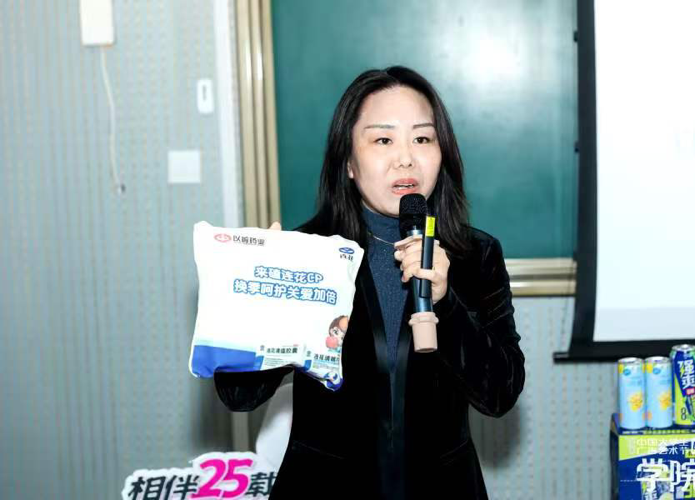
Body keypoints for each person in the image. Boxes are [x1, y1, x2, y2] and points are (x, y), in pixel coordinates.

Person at [214, 66, 525, 500]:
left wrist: (446, 302)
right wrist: (272, 303)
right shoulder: (307, 254)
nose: (406, 158)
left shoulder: (475, 255)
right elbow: (237, 395)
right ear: (348, 162)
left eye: (422, 139)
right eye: (383, 140)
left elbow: (501, 393)